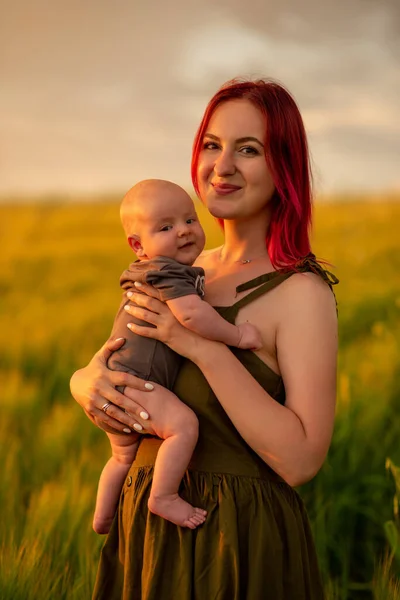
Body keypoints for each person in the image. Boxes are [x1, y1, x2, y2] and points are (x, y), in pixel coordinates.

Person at [70, 77, 339, 599]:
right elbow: (126, 353)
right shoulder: (178, 268)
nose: (222, 166)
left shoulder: (300, 291)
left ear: (283, 165)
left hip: (233, 539)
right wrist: (84, 381)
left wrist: (198, 344)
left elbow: (303, 459)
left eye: (249, 150)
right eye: (212, 145)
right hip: (146, 533)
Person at [94, 178, 262, 534]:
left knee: (121, 456)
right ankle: (164, 496)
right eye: (166, 227)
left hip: (115, 385)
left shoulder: (145, 271)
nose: (184, 232)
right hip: (135, 387)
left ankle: (104, 516)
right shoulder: (165, 271)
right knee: (183, 426)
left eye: (190, 219)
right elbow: (191, 316)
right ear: (138, 245)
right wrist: (237, 335)